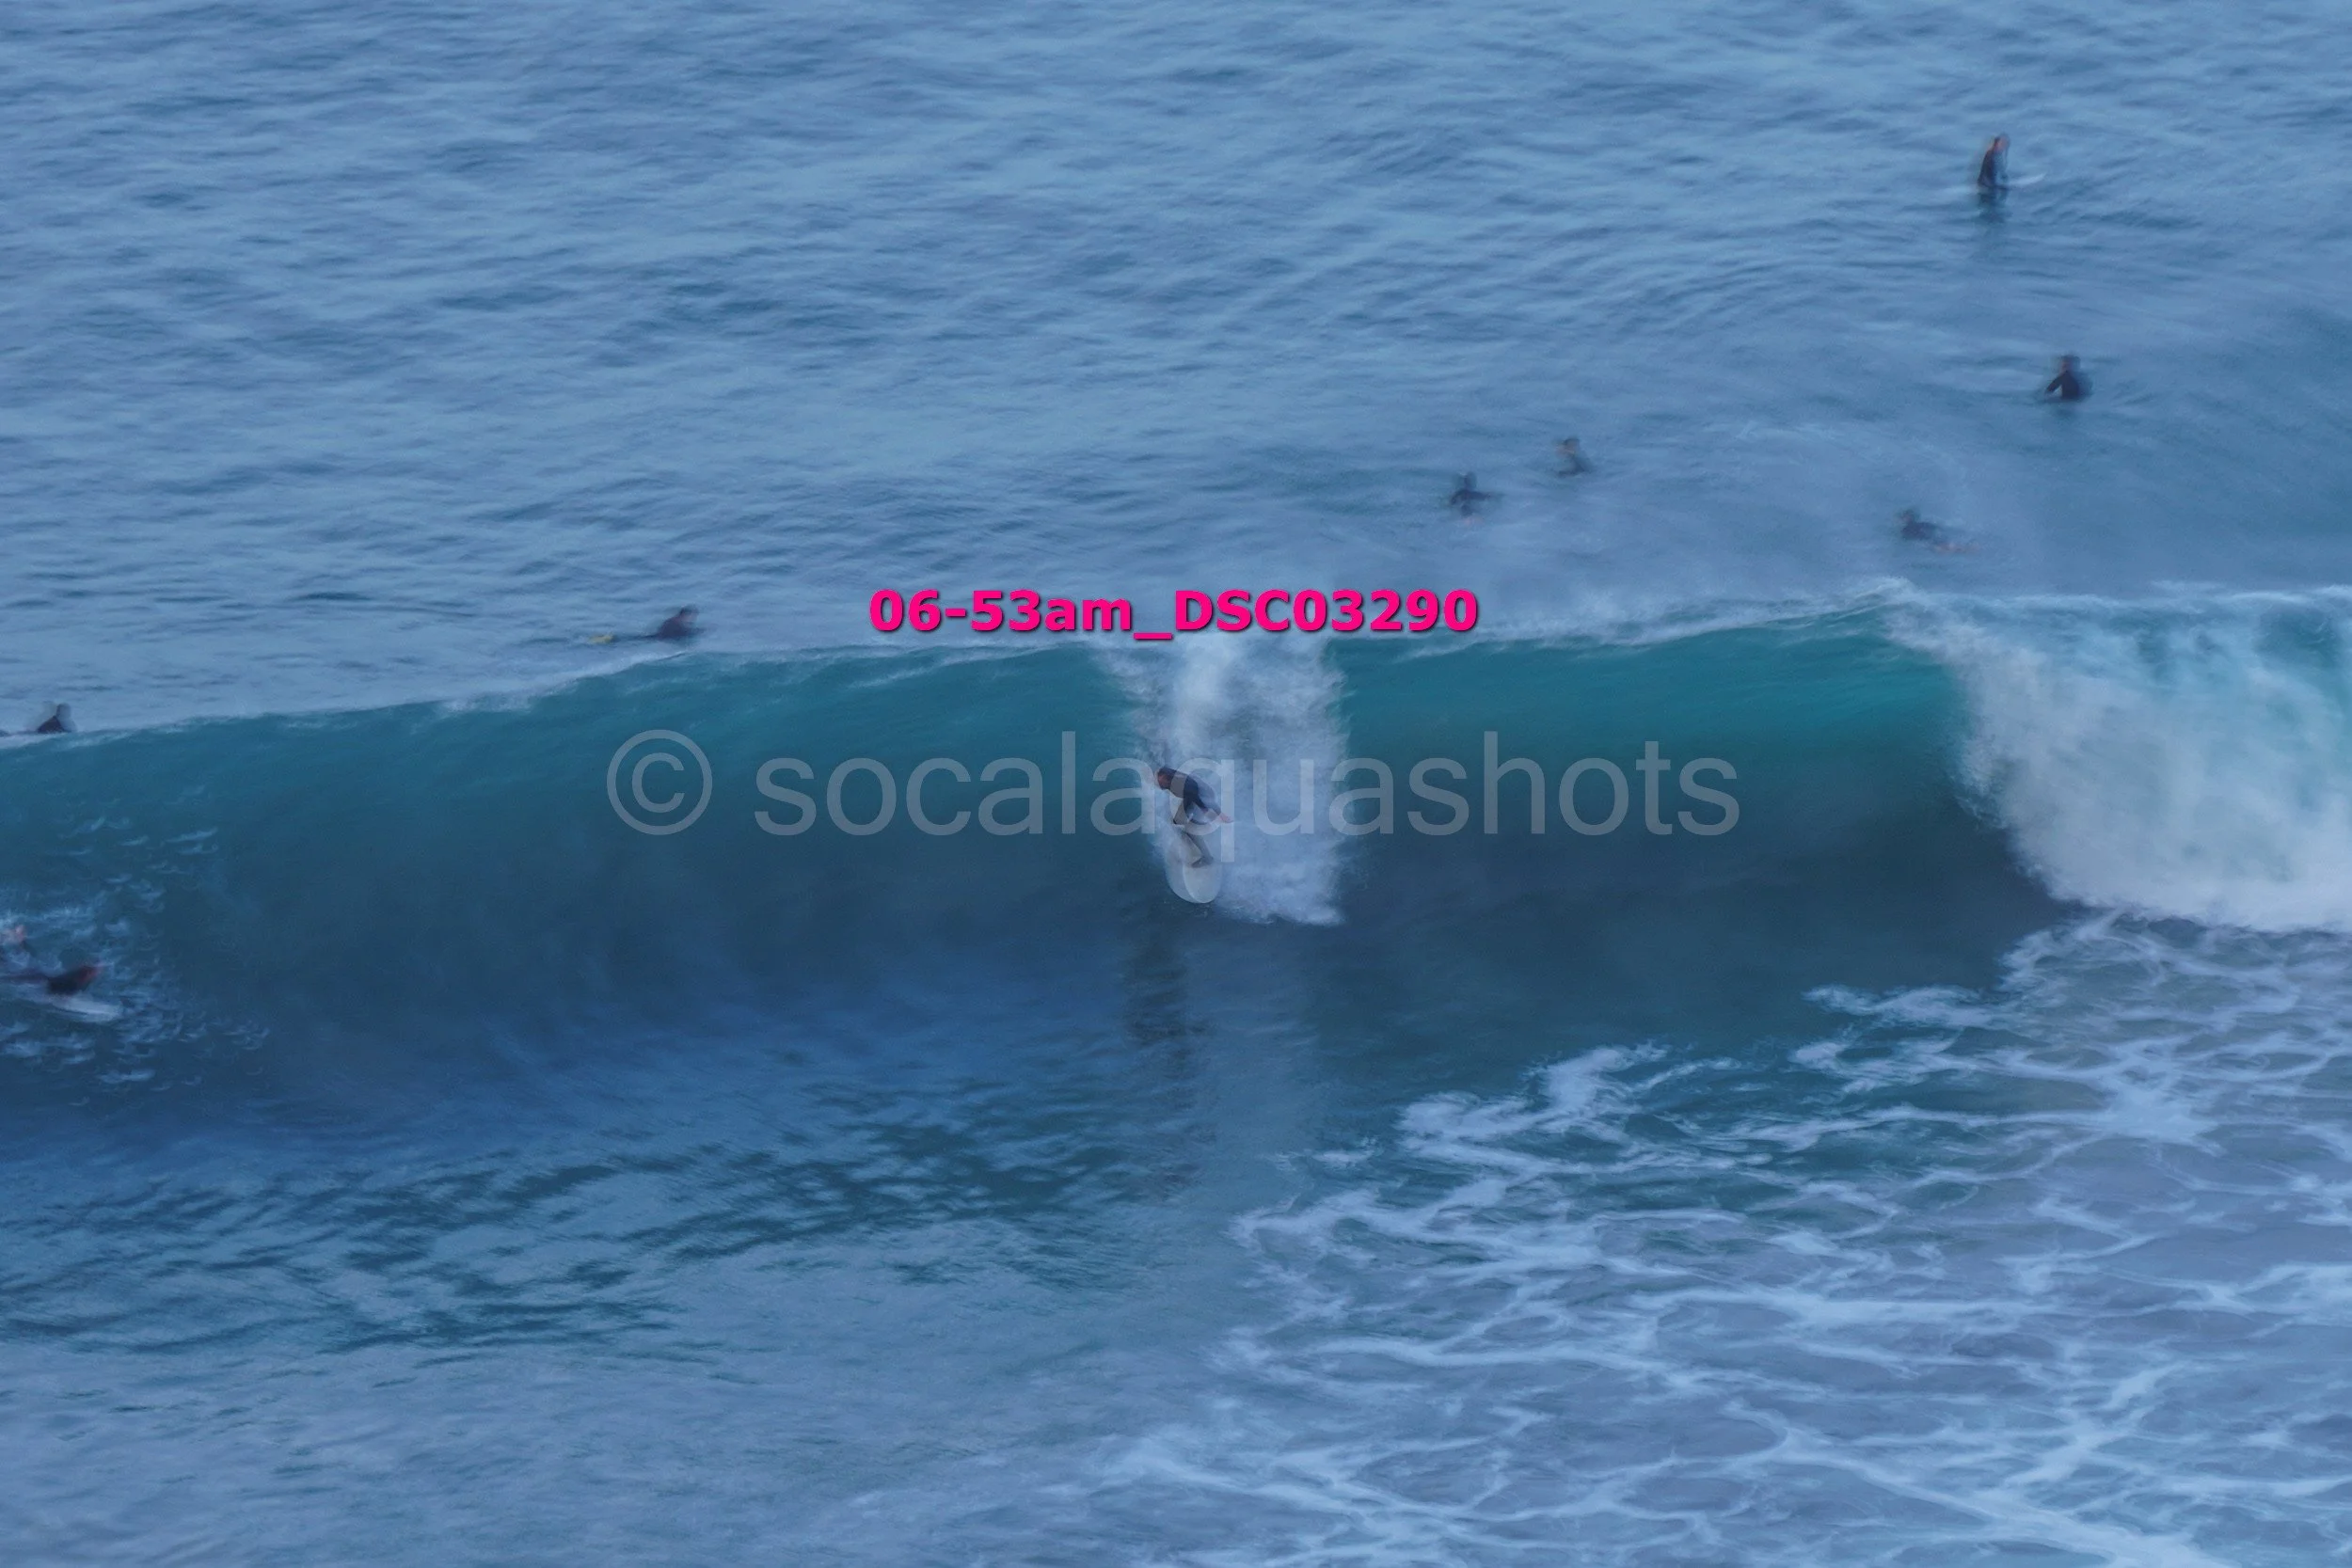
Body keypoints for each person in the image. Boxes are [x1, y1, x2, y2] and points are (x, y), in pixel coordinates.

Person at [1154, 767, 1230, 866]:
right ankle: (1190, 835)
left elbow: (1202, 801)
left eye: (1161, 781)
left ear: (1166, 779)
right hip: (1192, 794)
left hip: (1203, 797)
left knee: (1190, 829)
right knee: (1177, 821)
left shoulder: (1184, 787)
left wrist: (1219, 813)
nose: (1158, 783)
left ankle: (1207, 858)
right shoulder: (1167, 773)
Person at [1896, 508, 1977, 555]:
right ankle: (1967, 548)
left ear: (1908, 518)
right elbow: (1935, 527)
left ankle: (1963, 549)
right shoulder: (1922, 523)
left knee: (1940, 549)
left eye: (1904, 517)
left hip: (1925, 541)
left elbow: (1906, 538)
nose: (1902, 519)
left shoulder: (1905, 529)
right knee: (1947, 546)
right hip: (1932, 537)